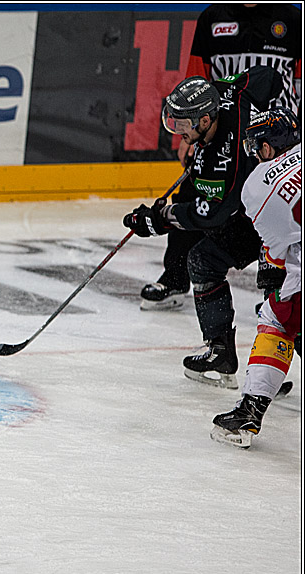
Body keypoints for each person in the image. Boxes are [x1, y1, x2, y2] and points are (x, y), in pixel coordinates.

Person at [123, 66, 284, 388]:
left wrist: (159, 219)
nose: (178, 130)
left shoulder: (226, 160)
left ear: (207, 120)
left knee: (280, 299)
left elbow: (212, 215)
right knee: (204, 260)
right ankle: (220, 352)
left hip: (284, 217)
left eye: (183, 124)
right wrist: (230, 85)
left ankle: (268, 374)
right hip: (260, 207)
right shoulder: (229, 97)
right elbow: (268, 76)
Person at [140, 3, 301, 310]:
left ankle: (284, 291)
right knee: (195, 191)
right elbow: (197, 75)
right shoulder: (213, 17)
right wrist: (191, 127)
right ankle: (175, 278)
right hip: (216, 128)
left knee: (279, 202)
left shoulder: (293, 18)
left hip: (277, 136)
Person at [212, 108, 301, 448]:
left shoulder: (258, 185)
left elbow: (276, 251)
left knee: (277, 322)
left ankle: (250, 411)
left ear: (267, 148)